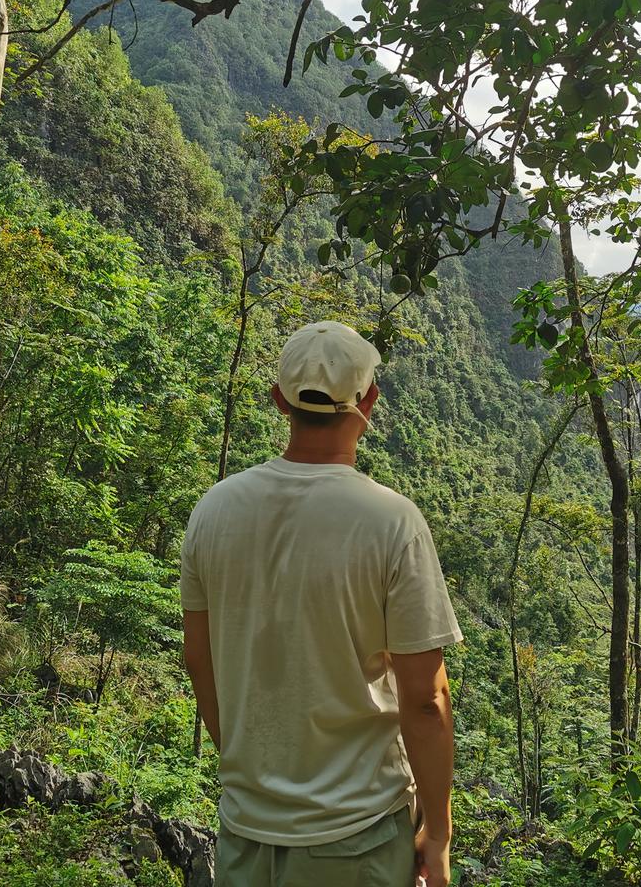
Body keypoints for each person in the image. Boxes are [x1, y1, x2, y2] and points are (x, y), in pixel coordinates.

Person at [180, 320, 462, 887]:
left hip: (246, 830)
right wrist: (438, 833)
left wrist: (249, 767)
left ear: (278, 399)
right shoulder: (391, 522)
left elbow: (200, 659)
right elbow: (426, 699)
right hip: (356, 835)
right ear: (370, 402)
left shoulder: (214, 511)